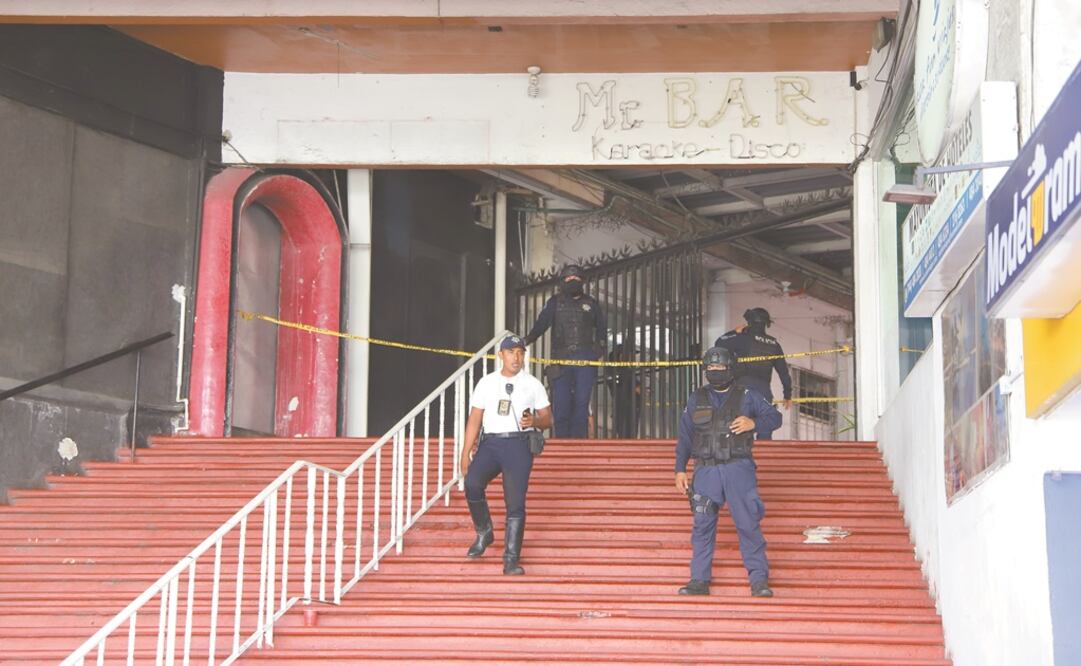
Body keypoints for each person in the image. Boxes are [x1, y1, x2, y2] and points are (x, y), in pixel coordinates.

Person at [674, 346, 782, 597]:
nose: (715, 372)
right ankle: (699, 580)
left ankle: (759, 580)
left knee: (747, 524)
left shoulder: (748, 395)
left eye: (720, 368)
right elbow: (685, 437)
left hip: (738, 469)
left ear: (730, 369)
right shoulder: (695, 397)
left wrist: (753, 422)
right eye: (711, 368)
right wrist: (680, 469)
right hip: (705, 473)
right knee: (702, 525)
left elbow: (775, 418)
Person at [460, 334, 553, 575]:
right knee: (472, 483)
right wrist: (465, 451)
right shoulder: (486, 382)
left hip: (519, 445)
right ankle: (484, 533)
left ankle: (511, 558)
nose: (517, 357)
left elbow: (548, 418)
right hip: (491, 443)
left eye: (520, 352)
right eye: (511, 352)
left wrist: (535, 420)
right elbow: (474, 420)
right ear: (500, 355)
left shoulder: (533, 383)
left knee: (515, 502)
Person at [524, 264, 607, 438]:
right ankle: (562, 442)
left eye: (576, 278)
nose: (572, 281)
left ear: (582, 281)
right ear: (562, 282)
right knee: (561, 403)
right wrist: (526, 340)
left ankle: (578, 444)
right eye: (568, 279)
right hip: (560, 359)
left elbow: (601, 330)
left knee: (581, 402)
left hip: (585, 358)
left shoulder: (591, 304)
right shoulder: (554, 302)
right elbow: (541, 324)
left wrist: (598, 350)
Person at [714, 307, 792, 439]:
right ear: (766, 323)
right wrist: (787, 395)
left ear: (749, 322)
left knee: (740, 429)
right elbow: (783, 372)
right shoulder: (774, 345)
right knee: (765, 427)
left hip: (742, 389)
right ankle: (765, 456)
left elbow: (719, 343)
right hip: (764, 390)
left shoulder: (742, 338)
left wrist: (734, 332)